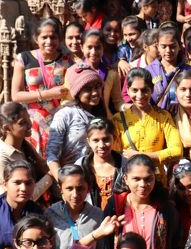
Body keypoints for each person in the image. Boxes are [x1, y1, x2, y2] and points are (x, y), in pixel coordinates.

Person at [102, 154, 181, 249]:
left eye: (148, 179)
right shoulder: (115, 206)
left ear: (155, 178)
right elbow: (105, 246)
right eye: (136, 179)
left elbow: (178, 245)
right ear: (125, 179)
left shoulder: (165, 208)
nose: (143, 185)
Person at [11, 18, 73, 156]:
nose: (49, 41)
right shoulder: (24, 59)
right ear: (36, 38)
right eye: (44, 37)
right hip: (33, 123)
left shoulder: (66, 60)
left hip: (60, 121)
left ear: (59, 39)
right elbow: (16, 95)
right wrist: (47, 94)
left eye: (53, 37)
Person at [113, 69, 182, 185]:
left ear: (152, 90)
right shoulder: (118, 119)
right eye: (134, 90)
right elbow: (115, 153)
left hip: (157, 181)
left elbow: (177, 150)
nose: (139, 95)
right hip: (131, 183)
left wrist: (142, 156)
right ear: (128, 91)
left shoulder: (163, 116)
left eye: (144, 90)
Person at [47, 65, 103, 179]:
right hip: (71, 184)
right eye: (88, 89)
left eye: (97, 87)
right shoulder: (65, 115)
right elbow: (51, 154)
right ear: (77, 92)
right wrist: (62, 180)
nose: (95, 93)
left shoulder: (102, 115)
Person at [0, 102, 53, 201]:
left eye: (28, 118)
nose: (29, 124)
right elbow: (22, 198)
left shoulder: (25, 145)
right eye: (22, 122)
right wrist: (51, 176)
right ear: (7, 128)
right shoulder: (0, 158)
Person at [45, 165, 104, 249]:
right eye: (69, 188)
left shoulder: (97, 216)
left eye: (80, 188)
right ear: (60, 188)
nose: (75, 195)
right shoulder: (50, 215)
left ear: (88, 188)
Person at [77, 118, 126, 210]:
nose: (101, 145)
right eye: (96, 140)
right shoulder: (81, 166)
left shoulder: (125, 165)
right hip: (90, 219)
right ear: (88, 141)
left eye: (106, 139)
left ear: (114, 138)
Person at [146, 25, 191, 110]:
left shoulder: (190, 71)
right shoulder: (149, 71)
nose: (168, 51)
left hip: (182, 120)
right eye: (163, 46)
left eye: (172, 46)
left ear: (180, 46)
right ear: (157, 46)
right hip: (157, 120)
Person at [81, 29, 124, 118]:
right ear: (82, 47)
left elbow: (118, 102)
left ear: (103, 48)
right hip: (81, 121)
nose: (93, 52)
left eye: (97, 47)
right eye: (89, 47)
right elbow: (67, 101)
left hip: (104, 121)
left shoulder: (111, 74)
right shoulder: (74, 72)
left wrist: (131, 107)